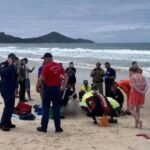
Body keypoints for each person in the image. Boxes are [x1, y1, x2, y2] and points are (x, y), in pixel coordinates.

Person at [36, 53, 68, 133]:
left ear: (47, 58)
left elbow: (41, 78)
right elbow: (66, 76)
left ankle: (44, 127)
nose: (44, 60)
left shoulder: (46, 67)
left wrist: (37, 86)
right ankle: (58, 128)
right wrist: (63, 86)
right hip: (57, 89)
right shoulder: (59, 65)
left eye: (44, 59)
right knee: (56, 109)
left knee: (46, 108)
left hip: (48, 89)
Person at [0, 53, 18, 131]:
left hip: (11, 88)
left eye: (15, 59)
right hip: (5, 88)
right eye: (13, 59)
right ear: (9, 58)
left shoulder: (13, 66)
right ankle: (3, 124)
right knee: (7, 106)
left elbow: (15, 77)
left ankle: (8, 122)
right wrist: (10, 64)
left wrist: (16, 88)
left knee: (11, 107)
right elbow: (4, 73)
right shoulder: (3, 65)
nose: (14, 60)